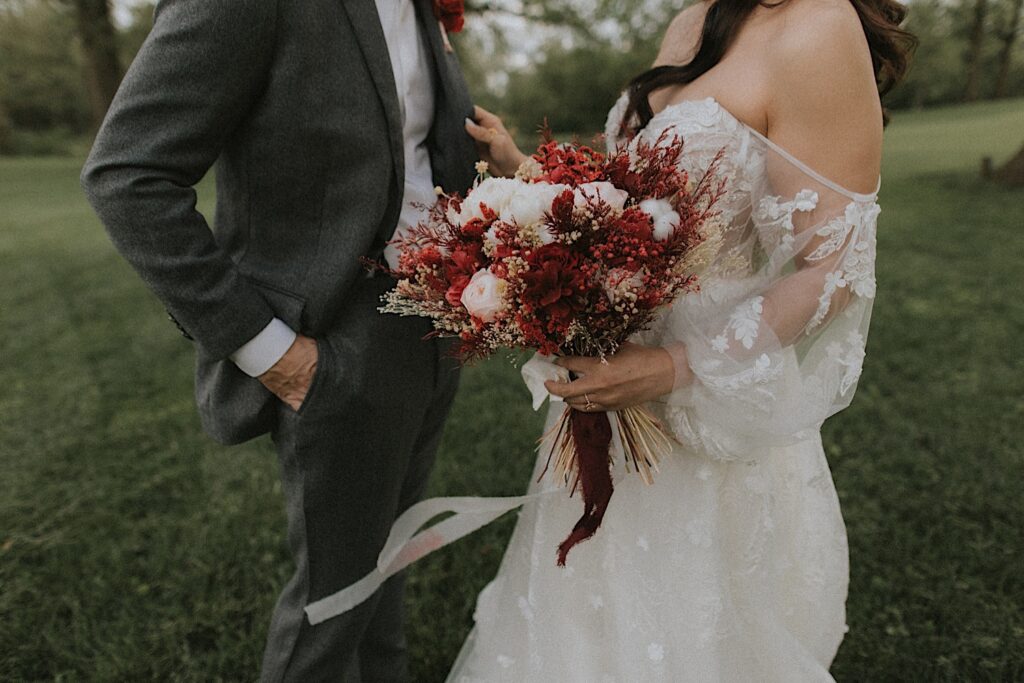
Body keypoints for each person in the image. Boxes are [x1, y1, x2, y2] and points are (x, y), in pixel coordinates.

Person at [454, 0, 914, 679]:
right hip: (608, 390)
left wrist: (672, 367)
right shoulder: (696, 19)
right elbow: (639, 206)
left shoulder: (819, 24)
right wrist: (525, 173)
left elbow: (834, 268)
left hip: (704, 396)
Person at [80, 0, 477, 680]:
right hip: (337, 344)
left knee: (385, 580)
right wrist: (276, 355)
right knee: (329, 613)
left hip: (433, 325)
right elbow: (128, 174)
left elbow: (414, 151)